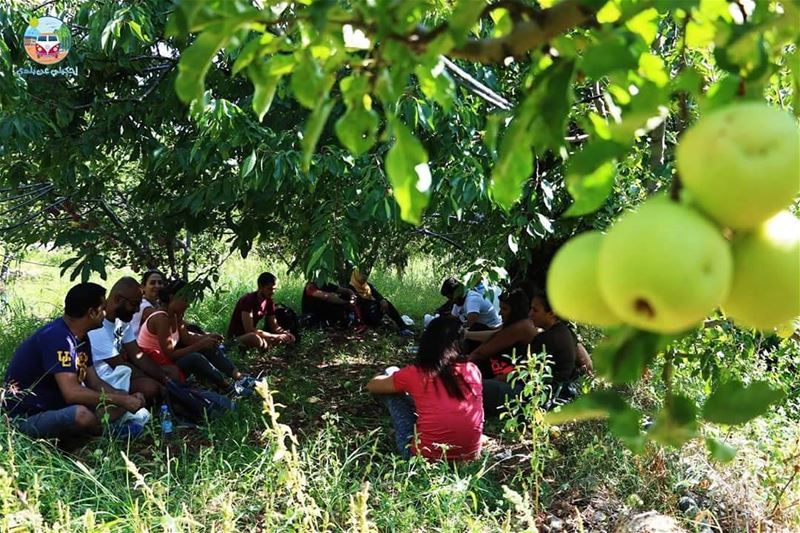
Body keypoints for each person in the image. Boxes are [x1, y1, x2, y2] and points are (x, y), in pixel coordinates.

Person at [2, 282, 147, 440]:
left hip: (58, 407)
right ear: (92, 312)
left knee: (117, 402)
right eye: (103, 308)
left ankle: (93, 430)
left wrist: (124, 397)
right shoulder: (59, 338)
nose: (105, 313)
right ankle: (104, 434)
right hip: (26, 417)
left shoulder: (81, 338)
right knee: (81, 414)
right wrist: (120, 400)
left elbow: (95, 382)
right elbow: (71, 393)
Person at [366, 315, 484, 461]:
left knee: (391, 374)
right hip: (470, 455)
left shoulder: (416, 373)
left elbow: (372, 386)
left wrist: (381, 375)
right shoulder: (472, 370)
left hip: (423, 457)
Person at [138, 279, 254, 394]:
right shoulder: (161, 319)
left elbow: (186, 339)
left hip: (168, 362)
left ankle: (239, 377)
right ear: (172, 297)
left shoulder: (175, 315)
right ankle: (227, 387)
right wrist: (201, 344)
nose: (187, 304)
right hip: (159, 368)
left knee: (208, 347)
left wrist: (207, 337)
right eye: (185, 300)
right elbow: (171, 355)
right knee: (195, 358)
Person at [480, 290, 578, 417]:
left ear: (551, 313)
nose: (530, 314)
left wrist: (495, 381)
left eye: (535, 310)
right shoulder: (565, 331)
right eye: (530, 309)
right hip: (549, 394)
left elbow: (520, 373)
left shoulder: (547, 338)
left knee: (480, 387)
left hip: (539, 398)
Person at [88, 276, 172, 406]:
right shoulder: (97, 326)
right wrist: (160, 383)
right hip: (102, 381)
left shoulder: (122, 320)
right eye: (134, 304)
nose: (138, 310)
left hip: (119, 375)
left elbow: (137, 355)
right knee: (150, 387)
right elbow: (119, 364)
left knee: (169, 373)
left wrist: (165, 379)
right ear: (118, 299)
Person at [466, 289, 538, 380]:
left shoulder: (520, 327)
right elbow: (495, 334)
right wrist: (467, 334)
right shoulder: (519, 323)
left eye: (504, 309)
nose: (500, 313)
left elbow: (482, 352)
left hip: (501, 375)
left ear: (516, 311)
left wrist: (463, 365)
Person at [227, 272, 295, 349]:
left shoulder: (269, 301)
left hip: (254, 335)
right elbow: (249, 330)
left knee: (286, 338)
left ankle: (265, 345)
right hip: (239, 337)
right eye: (269, 289)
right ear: (261, 287)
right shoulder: (248, 300)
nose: (272, 292)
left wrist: (285, 334)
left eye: (274, 289)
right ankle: (263, 345)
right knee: (254, 338)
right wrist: (274, 336)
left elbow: (274, 326)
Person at [349, 268, 413, 337]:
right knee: (375, 306)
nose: (364, 277)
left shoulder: (367, 286)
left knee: (386, 303)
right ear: (356, 275)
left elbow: (377, 295)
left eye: (365, 275)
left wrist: (382, 300)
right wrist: (377, 302)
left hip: (373, 311)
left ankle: (402, 326)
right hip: (363, 316)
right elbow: (361, 303)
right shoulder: (351, 287)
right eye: (361, 275)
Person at [129, 269, 164, 337]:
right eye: (152, 283)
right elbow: (164, 320)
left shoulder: (156, 304)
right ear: (143, 287)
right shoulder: (143, 306)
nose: (157, 286)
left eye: (160, 283)